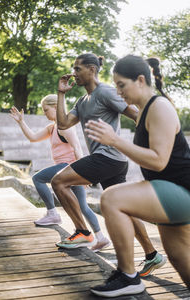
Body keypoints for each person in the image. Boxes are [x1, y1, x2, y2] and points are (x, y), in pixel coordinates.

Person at [85, 55, 190, 297]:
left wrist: (115, 140)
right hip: (168, 191)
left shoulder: (160, 107)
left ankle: (128, 276)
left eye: (121, 85)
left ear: (140, 80)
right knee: (179, 258)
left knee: (112, 198)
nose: (118, 91)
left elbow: (159, 160)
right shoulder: (144, 111)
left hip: (181, 191)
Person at [51, 53, 166, 268]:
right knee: (126, 208)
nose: (73, 73)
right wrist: (60, 94)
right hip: (111, 160)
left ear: (92, 70)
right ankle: (152, 255)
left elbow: (135, 114)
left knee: (59, 181)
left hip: (107, 157)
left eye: (78, 69)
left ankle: (83, 232)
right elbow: (64, 123)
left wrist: (152, 143)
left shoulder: (105, 92)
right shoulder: (83, 100)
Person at [10, 94, 110, 251]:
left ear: (56, 107)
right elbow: (33, 138)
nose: (44, 113)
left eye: (45, 110)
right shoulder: (52, 128)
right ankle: (101, 238)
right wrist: (21, 122)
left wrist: (84, 175)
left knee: (38, 178)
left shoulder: (66, 127)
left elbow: (77, 148)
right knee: (82, 206)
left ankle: (52, 214)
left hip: (69, 167)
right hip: (69, 170)